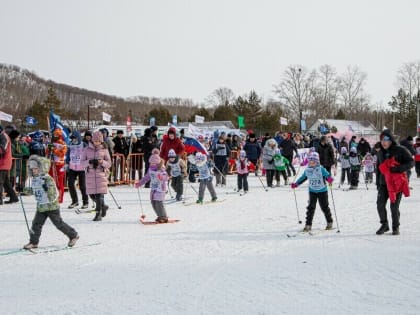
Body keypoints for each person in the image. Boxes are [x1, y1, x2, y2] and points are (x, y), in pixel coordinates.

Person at [23, 155, 79, 250]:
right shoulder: (34, 179)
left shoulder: (47, 179)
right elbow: (33, 191)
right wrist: (26, 190)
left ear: (41, 168)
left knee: (58, 223)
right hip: (41, 206)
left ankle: (73, 235)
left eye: (36, 169)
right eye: (32, 169)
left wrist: (48, 190)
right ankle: (33, 242)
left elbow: (53, 193)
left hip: (52, 206)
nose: (34, 171)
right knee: (36, 224)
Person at [375, 130, 413, 235]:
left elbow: (411, 162)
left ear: (391, 140)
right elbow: (378, 168)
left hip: (397, 184)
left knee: (394, 206)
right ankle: (384, 225)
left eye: (386, 139)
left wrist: (398, 169)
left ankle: (395, 226)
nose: (383, 142)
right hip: (383, 183)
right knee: (380, 204)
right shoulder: (380, 152)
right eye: (382, 140)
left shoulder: (400, 150)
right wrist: (378, 183)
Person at [291, 152, 334, 232]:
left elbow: (328, 176)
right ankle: (308, 225)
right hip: (312, 191)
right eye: (310, 161)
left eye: (313, 161)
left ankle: (329, 222)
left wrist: (329, 179)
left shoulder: (321, 169)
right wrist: (296, 184)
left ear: (317, 162)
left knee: (324, 207)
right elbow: (303, 178)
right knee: (311, 207)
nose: (311, 163)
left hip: (322, 191)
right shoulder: (308, 170)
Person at [81, 131, 112, 221]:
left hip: (101, 175)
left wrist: (101, 162)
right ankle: (103, 206)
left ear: (101, 141)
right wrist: (89, 162)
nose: (97, 143)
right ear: (92, 140)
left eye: (99, 141)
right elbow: (82, 163)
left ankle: (98, 214)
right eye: (95, 141)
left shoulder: (104, 150)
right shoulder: (86, 150)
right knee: (91, 195)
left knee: (99, 196)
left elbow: (109, 163)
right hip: (90, 175)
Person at [135, 148, 170, 223]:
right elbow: (146, 177)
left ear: (157, 163)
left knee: (159, 202)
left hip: (161, 188)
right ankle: (159, 215)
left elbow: (166, 177)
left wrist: (162, 177)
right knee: (153, 201)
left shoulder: (161, 169)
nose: (152, 165)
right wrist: (139, 183)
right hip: (154, 187)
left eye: (153, 164)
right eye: (151, 163)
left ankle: (164, 216)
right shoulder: (150, 169)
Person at [65, 131, 89, 209]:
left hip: (81, 168)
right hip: (72, 167)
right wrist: (67, 163)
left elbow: (88, 154)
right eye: (72, 138)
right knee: (70, 184)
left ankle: (85, 202)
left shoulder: (84, 145)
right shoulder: (70, 145)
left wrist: (88, 163)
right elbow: (68, 155)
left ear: (78, 138)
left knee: (82, 186)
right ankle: (74, 201)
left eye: (74, 138)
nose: (73, 140)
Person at [46, 128, 67, 203]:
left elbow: (62, 154)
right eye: (54, 134)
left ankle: (60, 198)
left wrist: (54, 149)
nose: (55, 136)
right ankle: (51, 197)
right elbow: (47, 153)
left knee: (59, 181)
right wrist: (48, 149)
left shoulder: (63, 144)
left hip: (59, 164)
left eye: (56, 135)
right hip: (51, 163)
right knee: (51, 181)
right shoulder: (51, 142)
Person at [0, 125, 19, 204]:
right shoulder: (4, 136)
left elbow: (2, 149)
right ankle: (13, 197)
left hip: (3, 162)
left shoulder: (3, 136)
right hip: (5, 162)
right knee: (5, 182)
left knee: (0, 181)